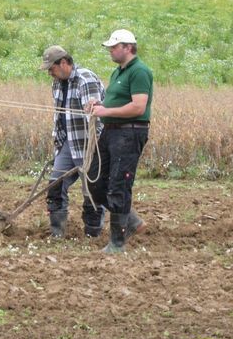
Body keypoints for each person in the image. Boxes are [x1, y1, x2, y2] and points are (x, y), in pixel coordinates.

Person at [86, 29, 152, 253]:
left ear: (128, 47)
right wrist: (98, 104)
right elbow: (112, 101)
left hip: (129, 133)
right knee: (94, 181)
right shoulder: (117, 73)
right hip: (111, 131)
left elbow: (138, 107)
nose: (111, 51)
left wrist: (106, 111)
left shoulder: (140, 72)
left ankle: (117, 242)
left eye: (114, 47)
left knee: (118, 185)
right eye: (110, 47)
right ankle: (131, 221)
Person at [39, 45, 105, 239]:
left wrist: (97, 151)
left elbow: (95, 120)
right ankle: (57, 233)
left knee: (91, 192)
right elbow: (59, 116)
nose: (50, 73)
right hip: (69, 143)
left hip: (91, 145)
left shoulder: (86, 80)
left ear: (65, 63)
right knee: (55, 185)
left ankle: (92, 236)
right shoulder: (57, 84)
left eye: (52, 68)